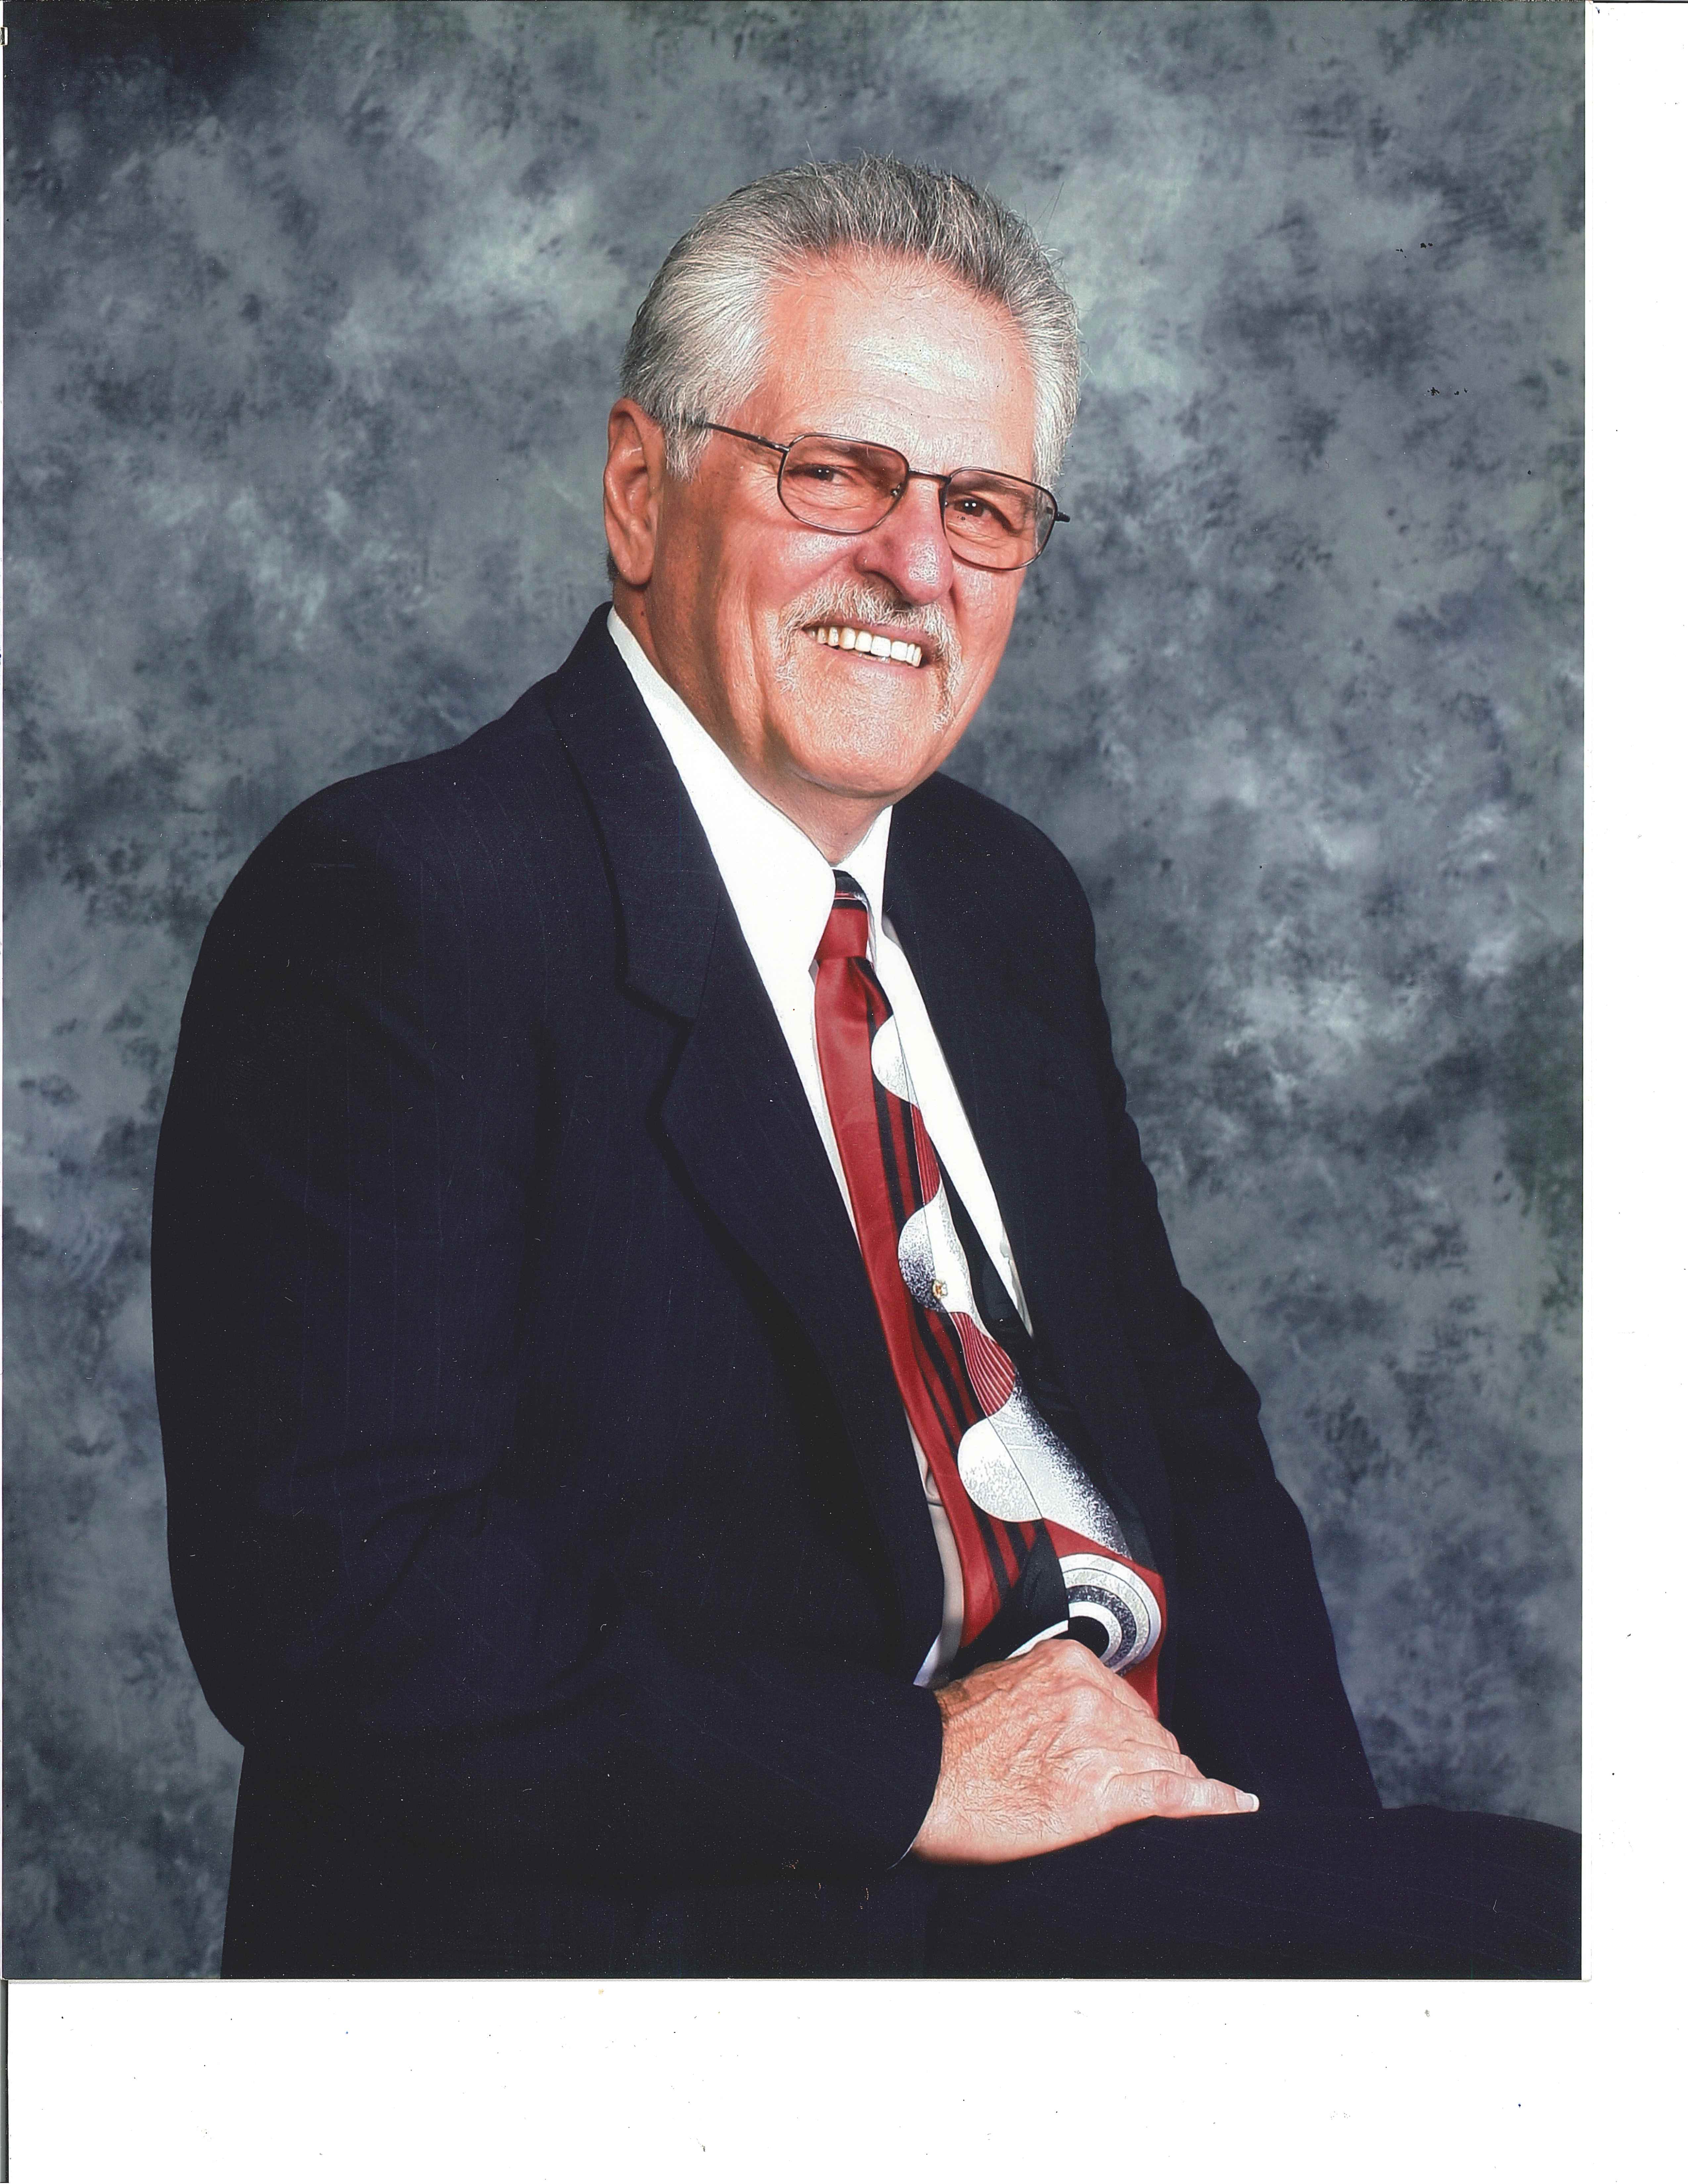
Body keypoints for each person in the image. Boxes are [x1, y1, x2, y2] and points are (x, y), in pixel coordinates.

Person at [151, 156, 1577, 1978]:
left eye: (984, 507)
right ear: (641, 491)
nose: (914, 562)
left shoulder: (999, 900)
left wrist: (1308, 1869)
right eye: (837, 472)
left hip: (1110, 1865)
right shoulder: (403, 905)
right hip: (717, 1916)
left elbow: (1185, 1443)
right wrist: (917, 1770)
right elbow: (337, 1599)